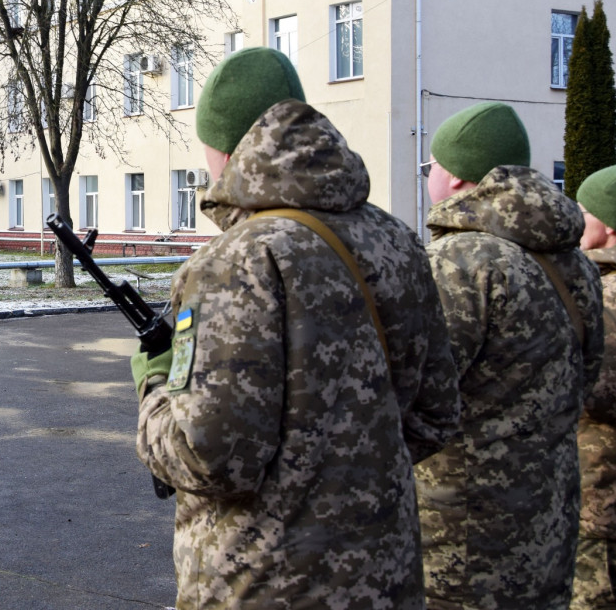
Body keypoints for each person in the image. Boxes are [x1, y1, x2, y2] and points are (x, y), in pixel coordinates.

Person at [132, 47, 461, 608]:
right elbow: (436, 416)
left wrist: (155, 388)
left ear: (226, 149)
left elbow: (209, 458)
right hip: (386, 575)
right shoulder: (399, 242)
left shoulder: (235, 261)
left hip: (266, 585)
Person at [416, 101, 603, 609]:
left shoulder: (459, 262)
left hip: (460, 536)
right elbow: (587, 375)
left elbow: (416, 396)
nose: (429, 176)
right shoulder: (576, 264)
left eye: (431, 165)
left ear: (455, 177)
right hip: (548, 522)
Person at [572, 164, 616, 609]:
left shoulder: (605, 298)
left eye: (585, 210)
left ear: (609, 224)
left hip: (604, 494)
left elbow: (596, 393)